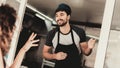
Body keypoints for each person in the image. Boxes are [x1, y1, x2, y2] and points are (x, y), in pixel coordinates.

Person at [43, 3, 96, 68]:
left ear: (68, 17)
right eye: (57, 15)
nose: (58, 18)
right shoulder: (52, 34)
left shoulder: (79, 32)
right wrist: (55, 56)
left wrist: (90, 48)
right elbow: (45, 53)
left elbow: (86, 52)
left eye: (61, 14)